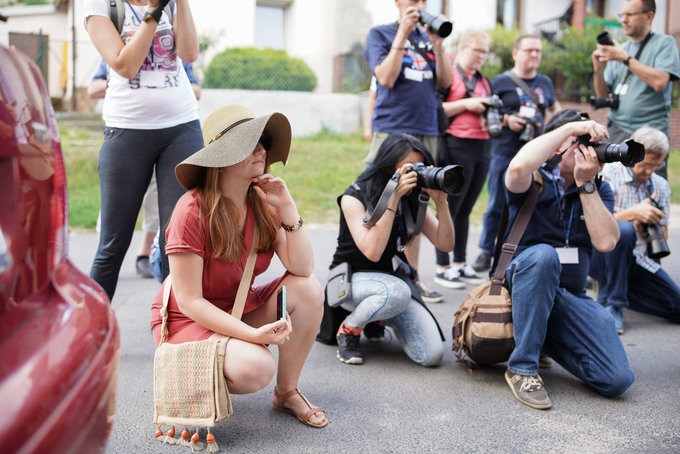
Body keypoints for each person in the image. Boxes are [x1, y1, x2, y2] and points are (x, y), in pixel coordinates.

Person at [150, 104, 328, 428]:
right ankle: (206, 370)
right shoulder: (190, 211)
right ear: (222, 156)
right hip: (189, 317)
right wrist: (251, 334)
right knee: (256, 368)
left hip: (237, 305)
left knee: (309, 290)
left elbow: (301, 267)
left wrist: (288, 207)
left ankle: (287, 392)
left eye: (262, 141)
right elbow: (190, 301)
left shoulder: (262, 202)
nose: (261, 148)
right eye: (250, 142)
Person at [500, 108, 633, 410]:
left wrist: (586, 184)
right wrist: (570, 127)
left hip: (570, 296)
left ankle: (542, 336)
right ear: (559, 146)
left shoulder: (597, 189)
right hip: (522, 284)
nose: (592, 152)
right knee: (545, 256)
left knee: (617, 380)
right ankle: (522, 368)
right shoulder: (533, 180)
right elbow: (517, 166)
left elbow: (607, 241)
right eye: (582, 143)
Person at [84, 0, 203, 299]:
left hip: (182, 128)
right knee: (112, 244)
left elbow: (189, 53)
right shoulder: (101, 6)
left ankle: (176, 335)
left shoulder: (173, 3)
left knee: (177, 241)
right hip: (126, 131)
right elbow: (125, 65)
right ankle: (93, 335)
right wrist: (154, 12)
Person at [328, 133, 452, 366]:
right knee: (398, 292)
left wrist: (441, 202)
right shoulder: (354, 197)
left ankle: (379, 317)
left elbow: (445, 244)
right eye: (409, 167)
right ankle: (350, 328)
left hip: (392, 285)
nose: (416, 172)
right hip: (351, 283)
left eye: (420, 166)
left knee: (431, 355)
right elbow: (372, 252)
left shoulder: (415, 197)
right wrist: (392, 197)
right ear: (388, 166)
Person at [365, 0, 453, 303]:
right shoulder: (381, 34)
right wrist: (402, 34)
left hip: (427, 131)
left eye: (422, 0)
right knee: (381, 195)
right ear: (398, 3)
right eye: (412, 1)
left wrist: (438, 44)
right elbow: (386, 78)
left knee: (418, 203)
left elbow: (446, 82)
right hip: (392, 129)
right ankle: (374, 269)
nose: (419, 4)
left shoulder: (428, 39)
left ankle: (411, 276)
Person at [472, 35, 561, 273]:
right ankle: (487, 251)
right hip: (505, 152)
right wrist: (506, 120)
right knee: (497, 204)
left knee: (534, 203)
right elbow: (484, 116)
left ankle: (517, 248)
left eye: (538, 51)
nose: (535, 55)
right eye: (529, 50)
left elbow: (554, 109)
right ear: (515, 53)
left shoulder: (545, 82)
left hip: (538, 154)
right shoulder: (500, 82)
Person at [590, 126, 680, 334]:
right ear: (633, 154)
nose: (648, 171)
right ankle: (615, 304)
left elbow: (663, 238)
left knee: (677, 306)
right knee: (624, 230)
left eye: (656, 166)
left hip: (639, 259)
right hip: (603, 255)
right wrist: (633, 214)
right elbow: (592, 224)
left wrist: (649, 224)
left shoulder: (660, 186)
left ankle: (617, 293)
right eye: (645, 164)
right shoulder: (608, 176)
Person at [591, 0, 680, 178]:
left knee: (651, 188)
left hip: (650, 132)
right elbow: (603, 96)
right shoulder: (620, 49)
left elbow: (660, 82)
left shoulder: (664, 44)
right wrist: (598, 69)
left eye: (630, 15)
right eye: (622, 15)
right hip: (617, 130)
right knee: (610, 185)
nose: (624, 20)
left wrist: (624, 58)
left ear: (649, 16)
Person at [433, 29, 493, 289]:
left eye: (484, 52)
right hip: (456, 144)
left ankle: (460, 262)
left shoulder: (482, 79)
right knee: (450, 206)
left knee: (466, 208)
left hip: (482, 145)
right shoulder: (450, 73)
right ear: (463, 49)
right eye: (476, 50)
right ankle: (442, 266)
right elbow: (437, 108)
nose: (480, 56)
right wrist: (468, 104)